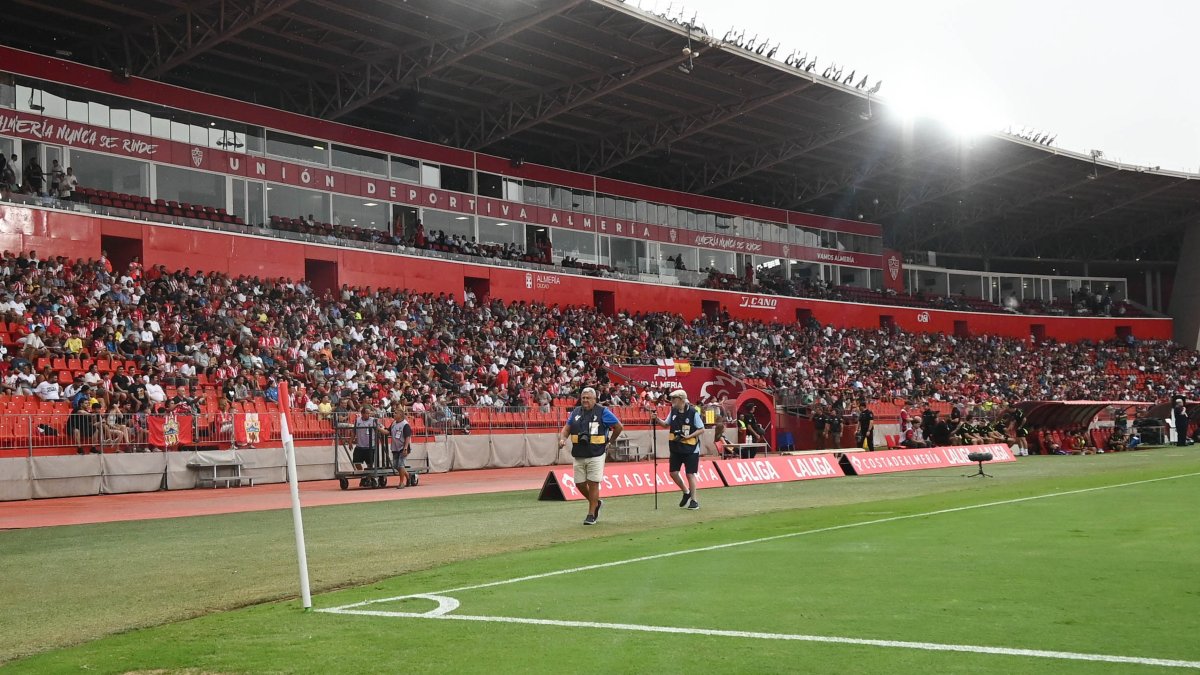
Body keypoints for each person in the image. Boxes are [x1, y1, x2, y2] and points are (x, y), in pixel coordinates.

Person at [558, 387, 623, 525]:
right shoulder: (575, 412)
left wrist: (610, 442)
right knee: (579, 483)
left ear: (595, 399)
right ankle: (596, 503)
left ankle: (591, 514)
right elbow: (567, 428)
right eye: (583, 398)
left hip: (596, 453)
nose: (585, 400)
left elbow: (618, 426)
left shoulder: (603, 412)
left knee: (593, 483)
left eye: (588, 398)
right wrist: (563, 438)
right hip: (579, 454)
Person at [654, 389, 703, 510]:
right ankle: (686, 492)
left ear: (681, 399)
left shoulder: (693, 412)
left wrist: (689, 436)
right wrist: (657, 419)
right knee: (673, 473)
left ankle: (694, 500)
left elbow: (701, 429)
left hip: (691, 448)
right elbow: (666, 424)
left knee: (690, 474)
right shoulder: (674, 411)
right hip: (675, 447)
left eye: (674, 399)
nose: (671, 401)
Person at [390, 407, 413, 489]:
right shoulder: (393, 423)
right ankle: (408, 475)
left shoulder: (405, 424)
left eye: (395, 413)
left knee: (400, 465)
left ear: (400, 415)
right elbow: (387, 431)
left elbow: (407, 437)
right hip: (395, 447)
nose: (394, 414)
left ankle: (401, 482)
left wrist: (405, 448)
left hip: (403, 448)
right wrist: (378, 429)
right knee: (396, 466)